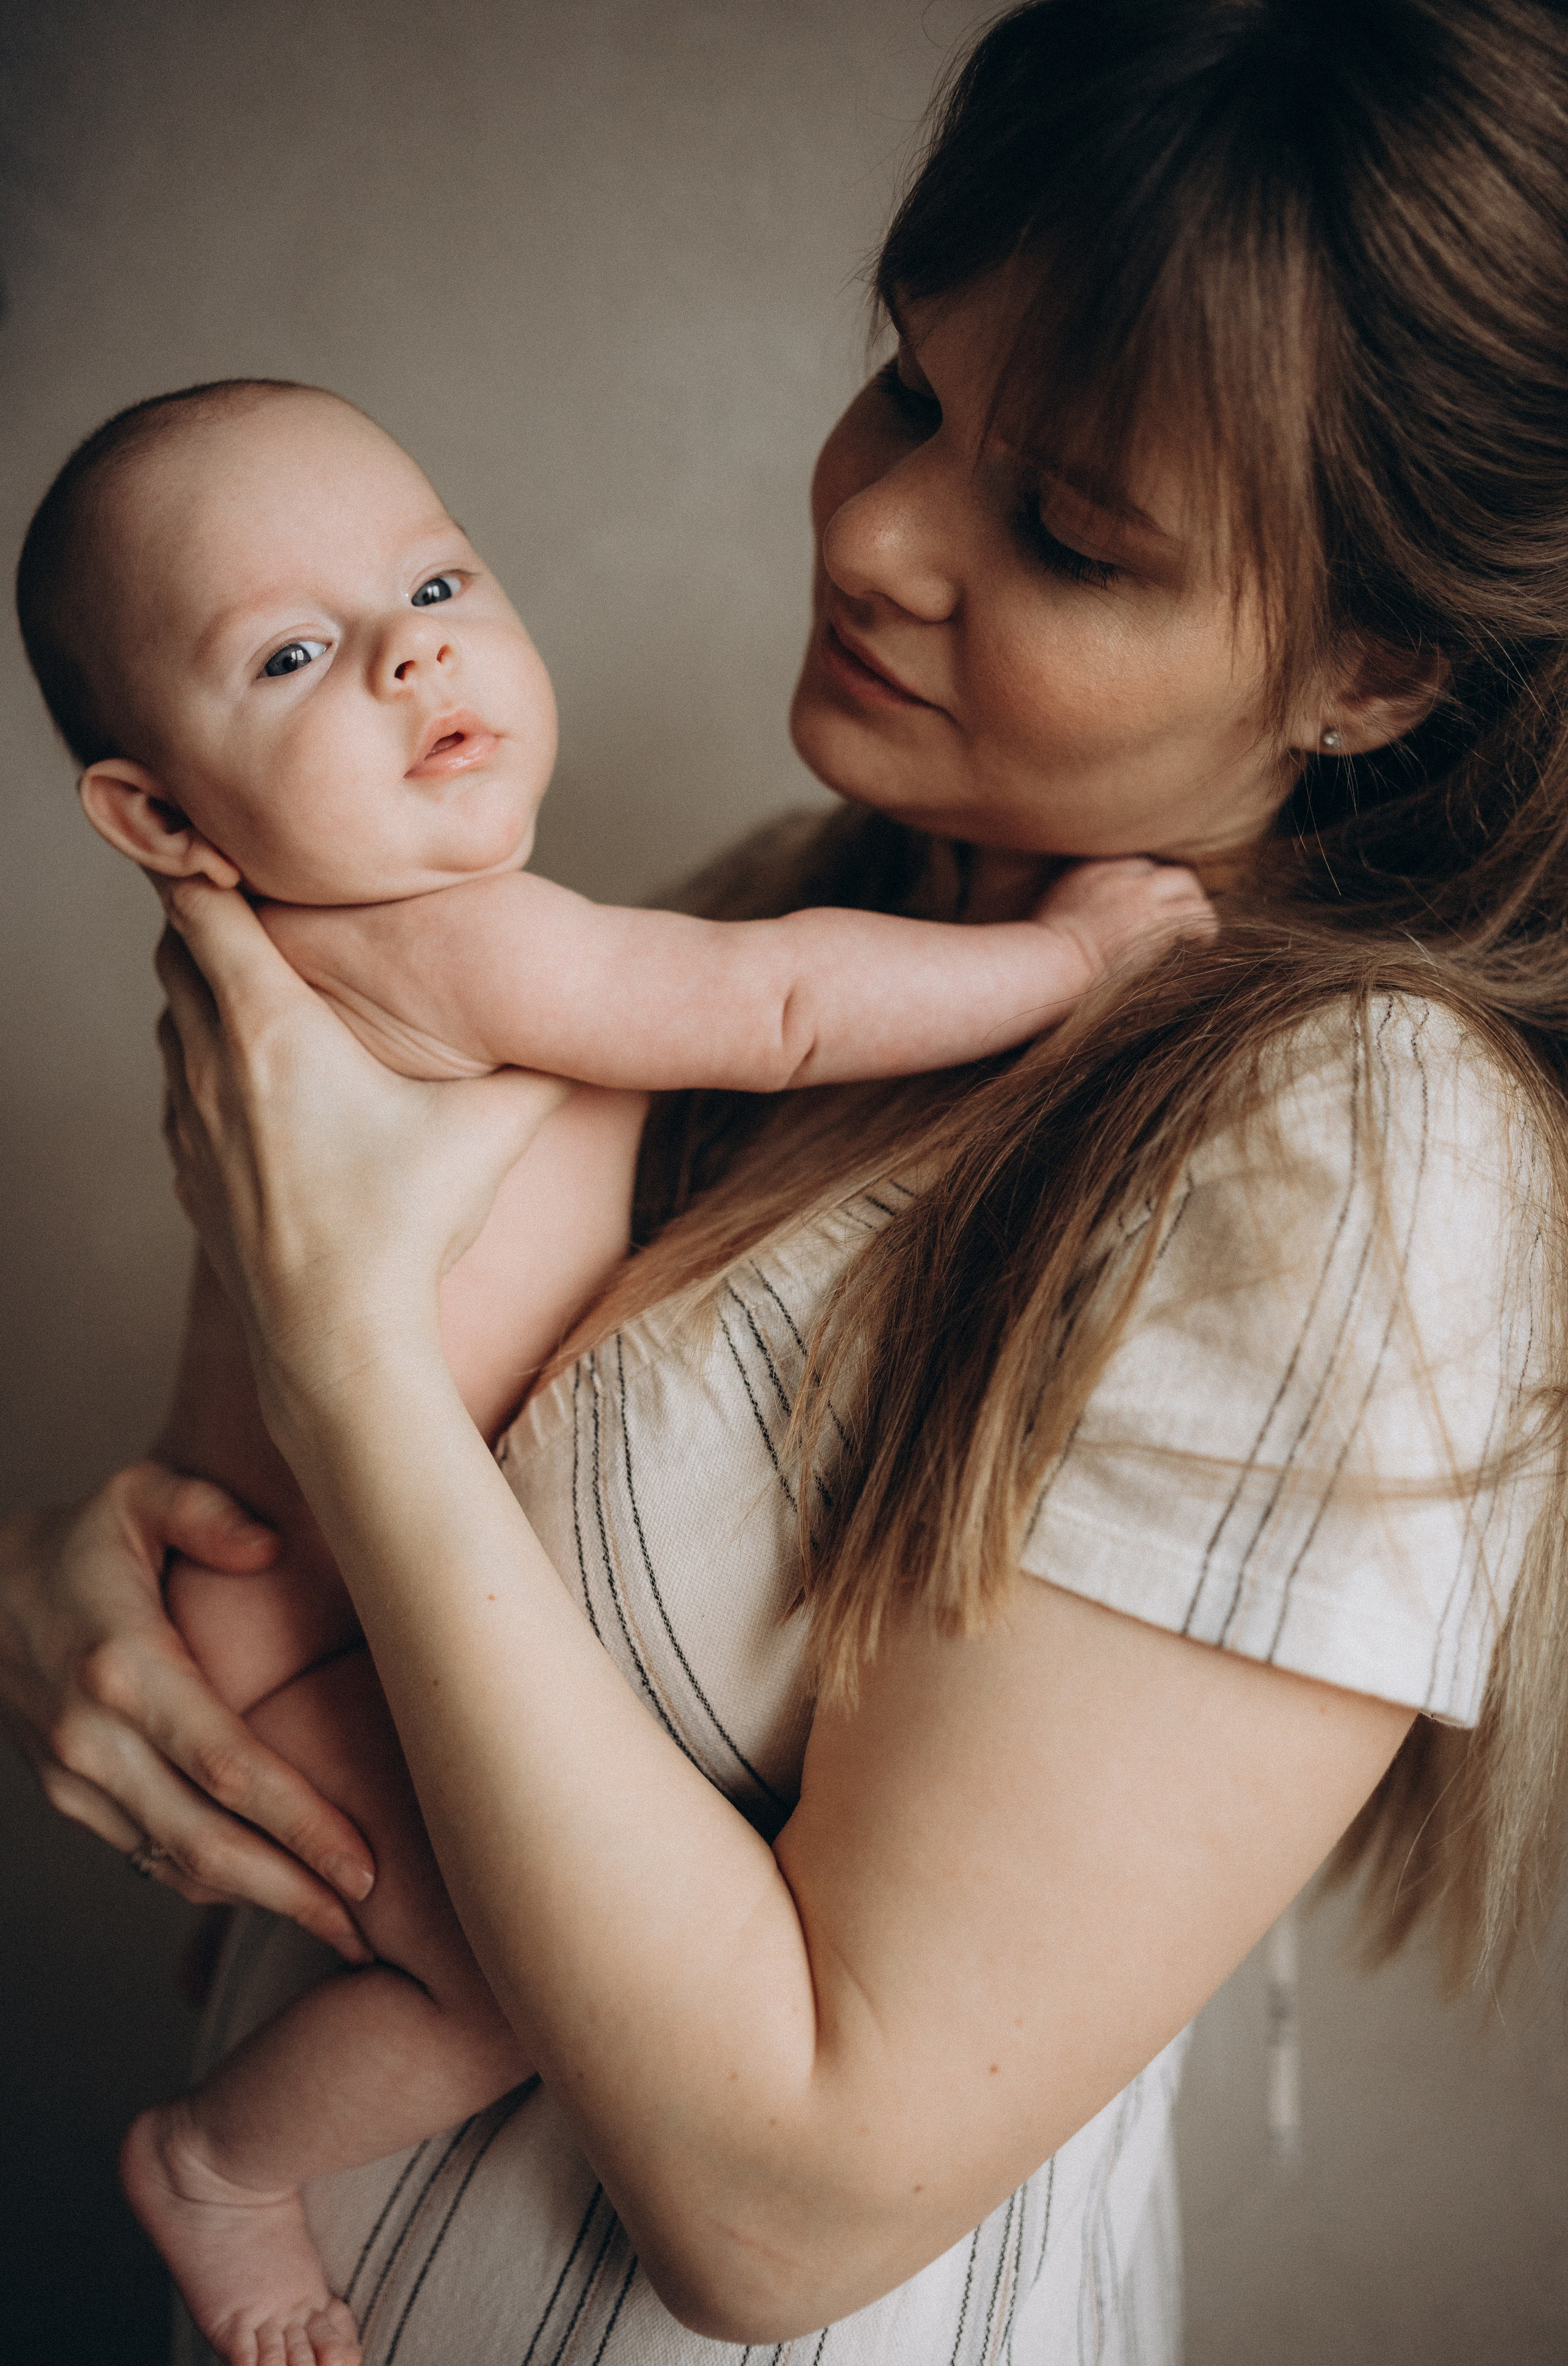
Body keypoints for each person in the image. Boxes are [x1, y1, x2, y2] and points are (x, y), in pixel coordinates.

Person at [6, 1, 1568, 2359]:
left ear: (1369, 670)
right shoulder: (791, 917)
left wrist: (335, 1361)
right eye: (908, 387)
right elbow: (440, 1510)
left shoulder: (1356, 1153)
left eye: (1064, 530)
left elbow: (782, 2215)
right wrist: (98, 1588)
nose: (864, 527)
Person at [13, 377, 1207, 2366]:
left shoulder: (354, 968)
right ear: (157, 816)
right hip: (298, 1630)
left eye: (435, 578)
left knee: (409, 1935)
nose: (411, 651)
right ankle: (220, 2165)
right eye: (296, 652)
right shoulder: (433, 943)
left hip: (271, 1597)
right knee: (503, 1986)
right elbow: (786, 1001)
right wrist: (1079, 969)